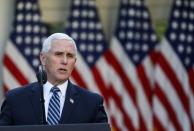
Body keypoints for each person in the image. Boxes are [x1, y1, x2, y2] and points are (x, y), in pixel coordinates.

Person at [0, 33, 108, 125]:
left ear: (74, 62)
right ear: (43, 58)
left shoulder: (92, 103)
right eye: (58, 54)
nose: (65, 61)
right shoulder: (15, 100)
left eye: (70, 56)